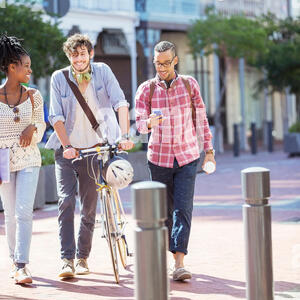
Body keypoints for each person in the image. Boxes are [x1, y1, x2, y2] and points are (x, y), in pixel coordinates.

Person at [45, 33, 133, 279]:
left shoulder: (103, 72)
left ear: (90, 54)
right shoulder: (59, 78)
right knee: (65, 201)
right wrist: (67, 146)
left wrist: (125, 135)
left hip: (96, 148)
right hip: (69, 151)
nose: (78, 58)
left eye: (82, 53)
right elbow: (56, 117)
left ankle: (83, 257)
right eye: (74, 55)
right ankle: (67, 260)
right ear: (68, 56)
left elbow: (121, 103)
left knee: (89, 207)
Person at [135, 40, 216, 281]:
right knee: (163, 213)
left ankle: (179, 262)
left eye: (166, 63)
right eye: (157, 63)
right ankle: (166, 255)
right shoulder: (146, 90)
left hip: (187, 156)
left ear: (175, 60)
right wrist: (149, 122)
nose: (161, 68)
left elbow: (201, 119)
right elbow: (138, 126)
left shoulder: (190, 85)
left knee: (183, 208)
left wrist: (208, 150)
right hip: (158, 159)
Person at [0, 34, 46, 284]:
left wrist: (32, 129)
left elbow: (41, 122)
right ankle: (13, 260)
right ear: (11, 67)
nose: (30, 70)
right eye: (26, 66)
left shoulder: (33, 96)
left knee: (23, 211)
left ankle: (22, 265)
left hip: (29, 159)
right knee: (9, 213)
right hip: (3, 161)